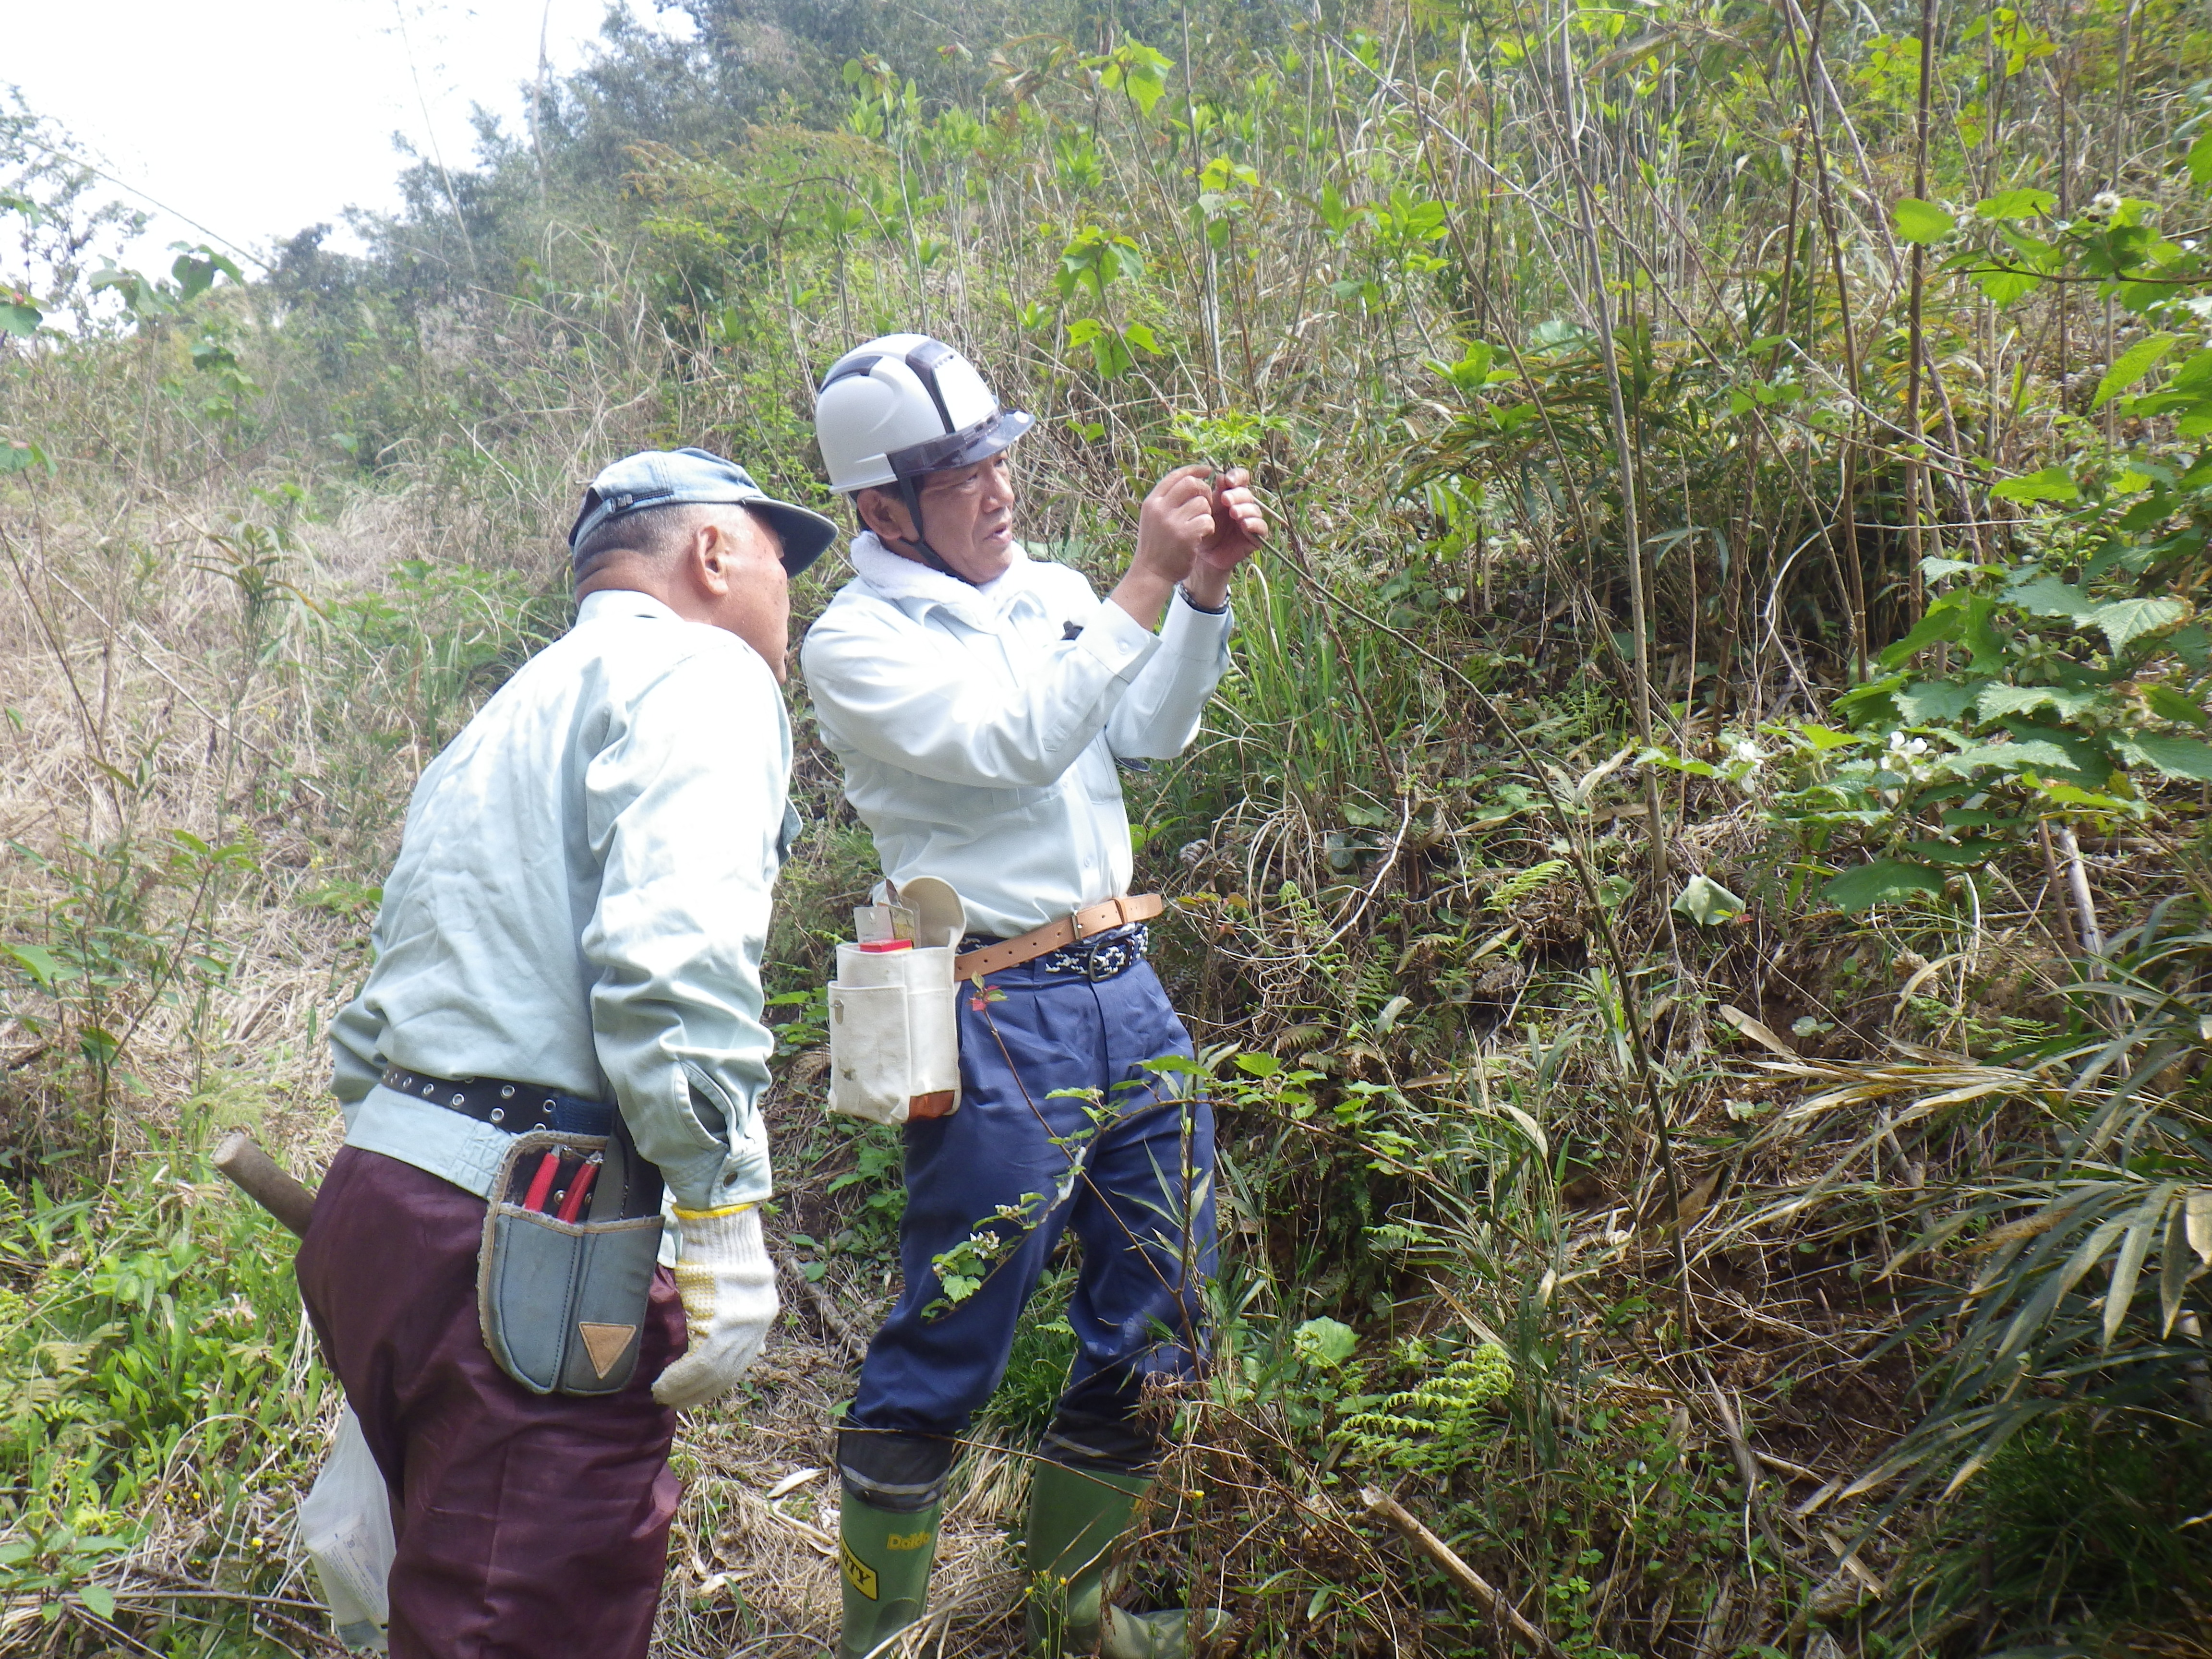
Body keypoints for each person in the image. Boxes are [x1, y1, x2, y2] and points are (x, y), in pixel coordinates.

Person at [296, 448, 838, 1659]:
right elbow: (673, 962)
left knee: (450, 1600)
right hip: (532, 1239)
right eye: (780, 562)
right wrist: (722, 1213)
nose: (789, 603)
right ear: (713, 554)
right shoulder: (705, 675)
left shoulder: (510, 709)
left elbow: (382, 1002)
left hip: (384, 1205)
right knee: (527, 1626)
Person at [802, 335, 1267, 1659]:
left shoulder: (1049, 591)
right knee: (956, 1317)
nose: (998, 486)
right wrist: (1138, 582)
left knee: (1165, 1294)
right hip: (996, 1007)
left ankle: (1077, 1616)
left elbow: (1145, 733)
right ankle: (879, 1639)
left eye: (1000, 453)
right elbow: (1012, 747)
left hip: (1126, 984)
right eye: (959, 471)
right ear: (880, 509)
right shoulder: (858, 642)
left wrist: (1199, 600)